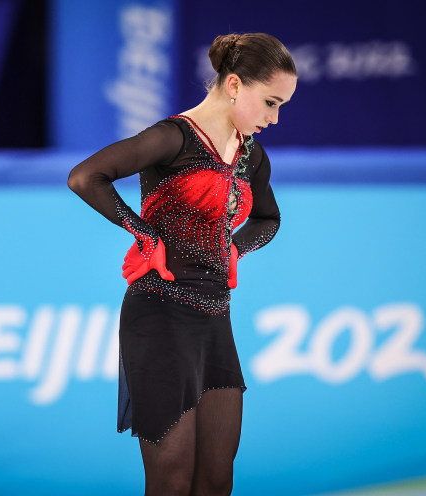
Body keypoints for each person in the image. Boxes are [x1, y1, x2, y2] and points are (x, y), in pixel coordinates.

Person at [68, 32, 297, 496]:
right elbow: (84, 177)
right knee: (172, 478)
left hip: (214, 321)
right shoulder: (172, 138)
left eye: (281, 107)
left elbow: (269, 219)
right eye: (270, 103)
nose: (274, 118)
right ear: (234, 85)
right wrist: (145, 233)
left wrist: (235, 248)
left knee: (215, 480)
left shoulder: (250, 155)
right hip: (158, 315)